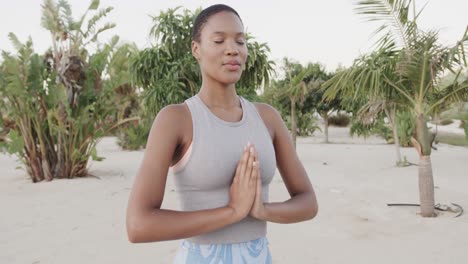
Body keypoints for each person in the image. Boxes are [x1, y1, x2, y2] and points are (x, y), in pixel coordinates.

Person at [126, 4, 318, 263]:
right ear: (196, 49)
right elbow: (139, 225)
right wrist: (231, 212)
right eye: (219, 40)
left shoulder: (266, 118)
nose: (233, 49)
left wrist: (262, 210)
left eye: (240, 41)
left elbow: (308, 202)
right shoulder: (176, 119)